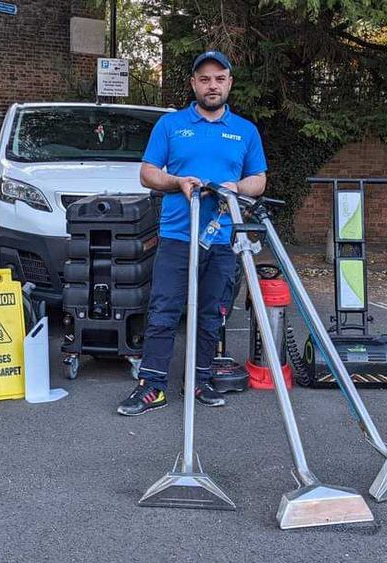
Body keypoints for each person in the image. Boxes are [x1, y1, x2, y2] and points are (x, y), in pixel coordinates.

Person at [117, 50, 268, 416]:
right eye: (204, 79)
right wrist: (177, 181)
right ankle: (152, 386)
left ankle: (199, 379)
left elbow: (259, 180)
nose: (212, 85)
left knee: (212, 313)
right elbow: (147, 173)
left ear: (229, 83)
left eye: (219, 79)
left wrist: (236, 187)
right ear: (193, 84)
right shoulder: (170, 125)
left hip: (223, 238)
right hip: (178, 236)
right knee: (164, 310)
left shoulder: (245, 131)